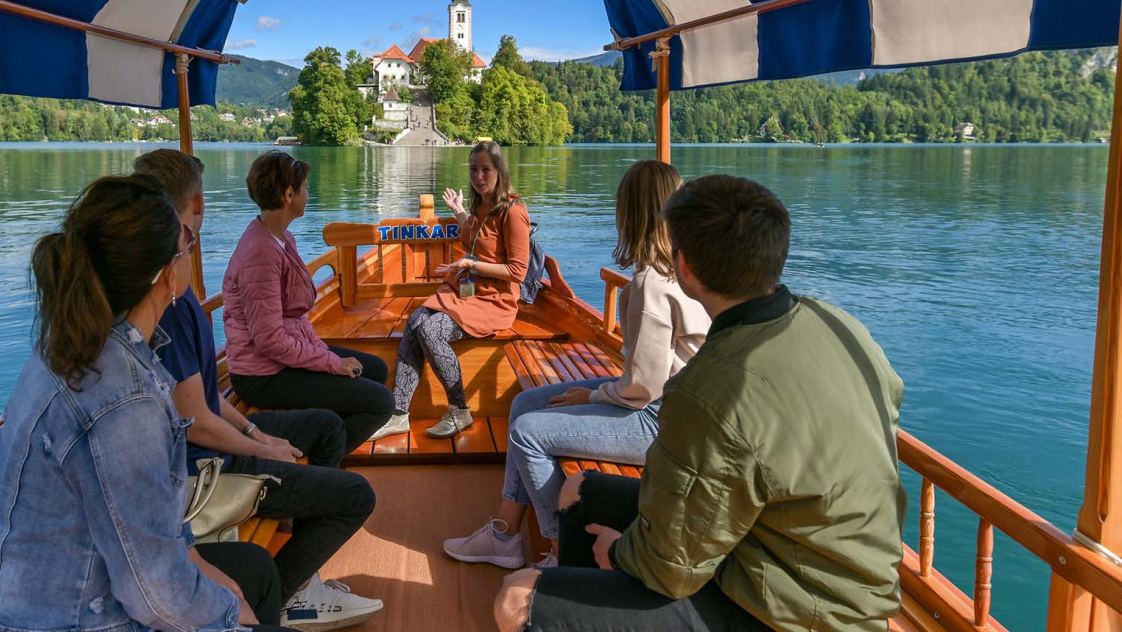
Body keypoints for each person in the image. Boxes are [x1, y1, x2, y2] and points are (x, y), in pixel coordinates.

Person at [493, 175, 905, 632]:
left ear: (684, 266)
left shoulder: (707, 387)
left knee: (516, 600)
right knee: (577, 491)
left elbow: (669, 570)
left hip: (788, 612)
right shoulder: (841, 326)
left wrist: (617, 551)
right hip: (799, 557)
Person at [0, 175, 295, 632]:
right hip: (60, 619)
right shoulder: (125, 400)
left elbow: (152, 530)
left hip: (2, 598)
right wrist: (229, 613)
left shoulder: (68, 343)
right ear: (167, 274)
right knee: (242, 603)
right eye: (187, 245)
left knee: (253, 572)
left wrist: (208, 578)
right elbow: (155, 594)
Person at [134, 149, 384, 630]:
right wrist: (263, 446)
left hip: (220, 434)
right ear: (197, 205)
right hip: (213, 456)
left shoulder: (269, 246)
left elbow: (204, 401)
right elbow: (198, 418)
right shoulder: (174, 300)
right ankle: (294, 591)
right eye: (304, 188)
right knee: (357, 485)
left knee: (332, 423)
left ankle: (306, 534)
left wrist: (256, 432)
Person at [443, 159, 709, 571]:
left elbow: (643, 389)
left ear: (630, 213)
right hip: (666, 405)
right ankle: (505, 535)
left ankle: (562, 551)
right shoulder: (683, 272)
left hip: (663, 422)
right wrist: (601, 392)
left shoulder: (651, 286)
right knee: (525, 403)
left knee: (528, 432)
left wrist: (593, 395)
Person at [223, 151, 396, 452]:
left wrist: (321, 352)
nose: (308, 193)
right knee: (381, 404)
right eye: (304, 187)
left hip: (282, 357)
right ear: (289, 195)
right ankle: (319, 453)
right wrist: (332, 363)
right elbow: (269, 340)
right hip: (262, 375)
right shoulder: (261, 253)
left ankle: (328, 437)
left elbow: (295, 317)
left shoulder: (281, 238)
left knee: (375, 370)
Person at [371, 141, 531, 441]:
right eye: (473, 169)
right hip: (470, 291)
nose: (479, 177)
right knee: (416, 320)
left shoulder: (514, 212)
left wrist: (471, 263)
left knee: (431, 330)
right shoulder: (482, 205)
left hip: (495, 300)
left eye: (486, 170)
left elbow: (517, 271)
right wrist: (459, 210)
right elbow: (474, 238)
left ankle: (459, 410)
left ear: (500, 171)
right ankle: (399, 413)